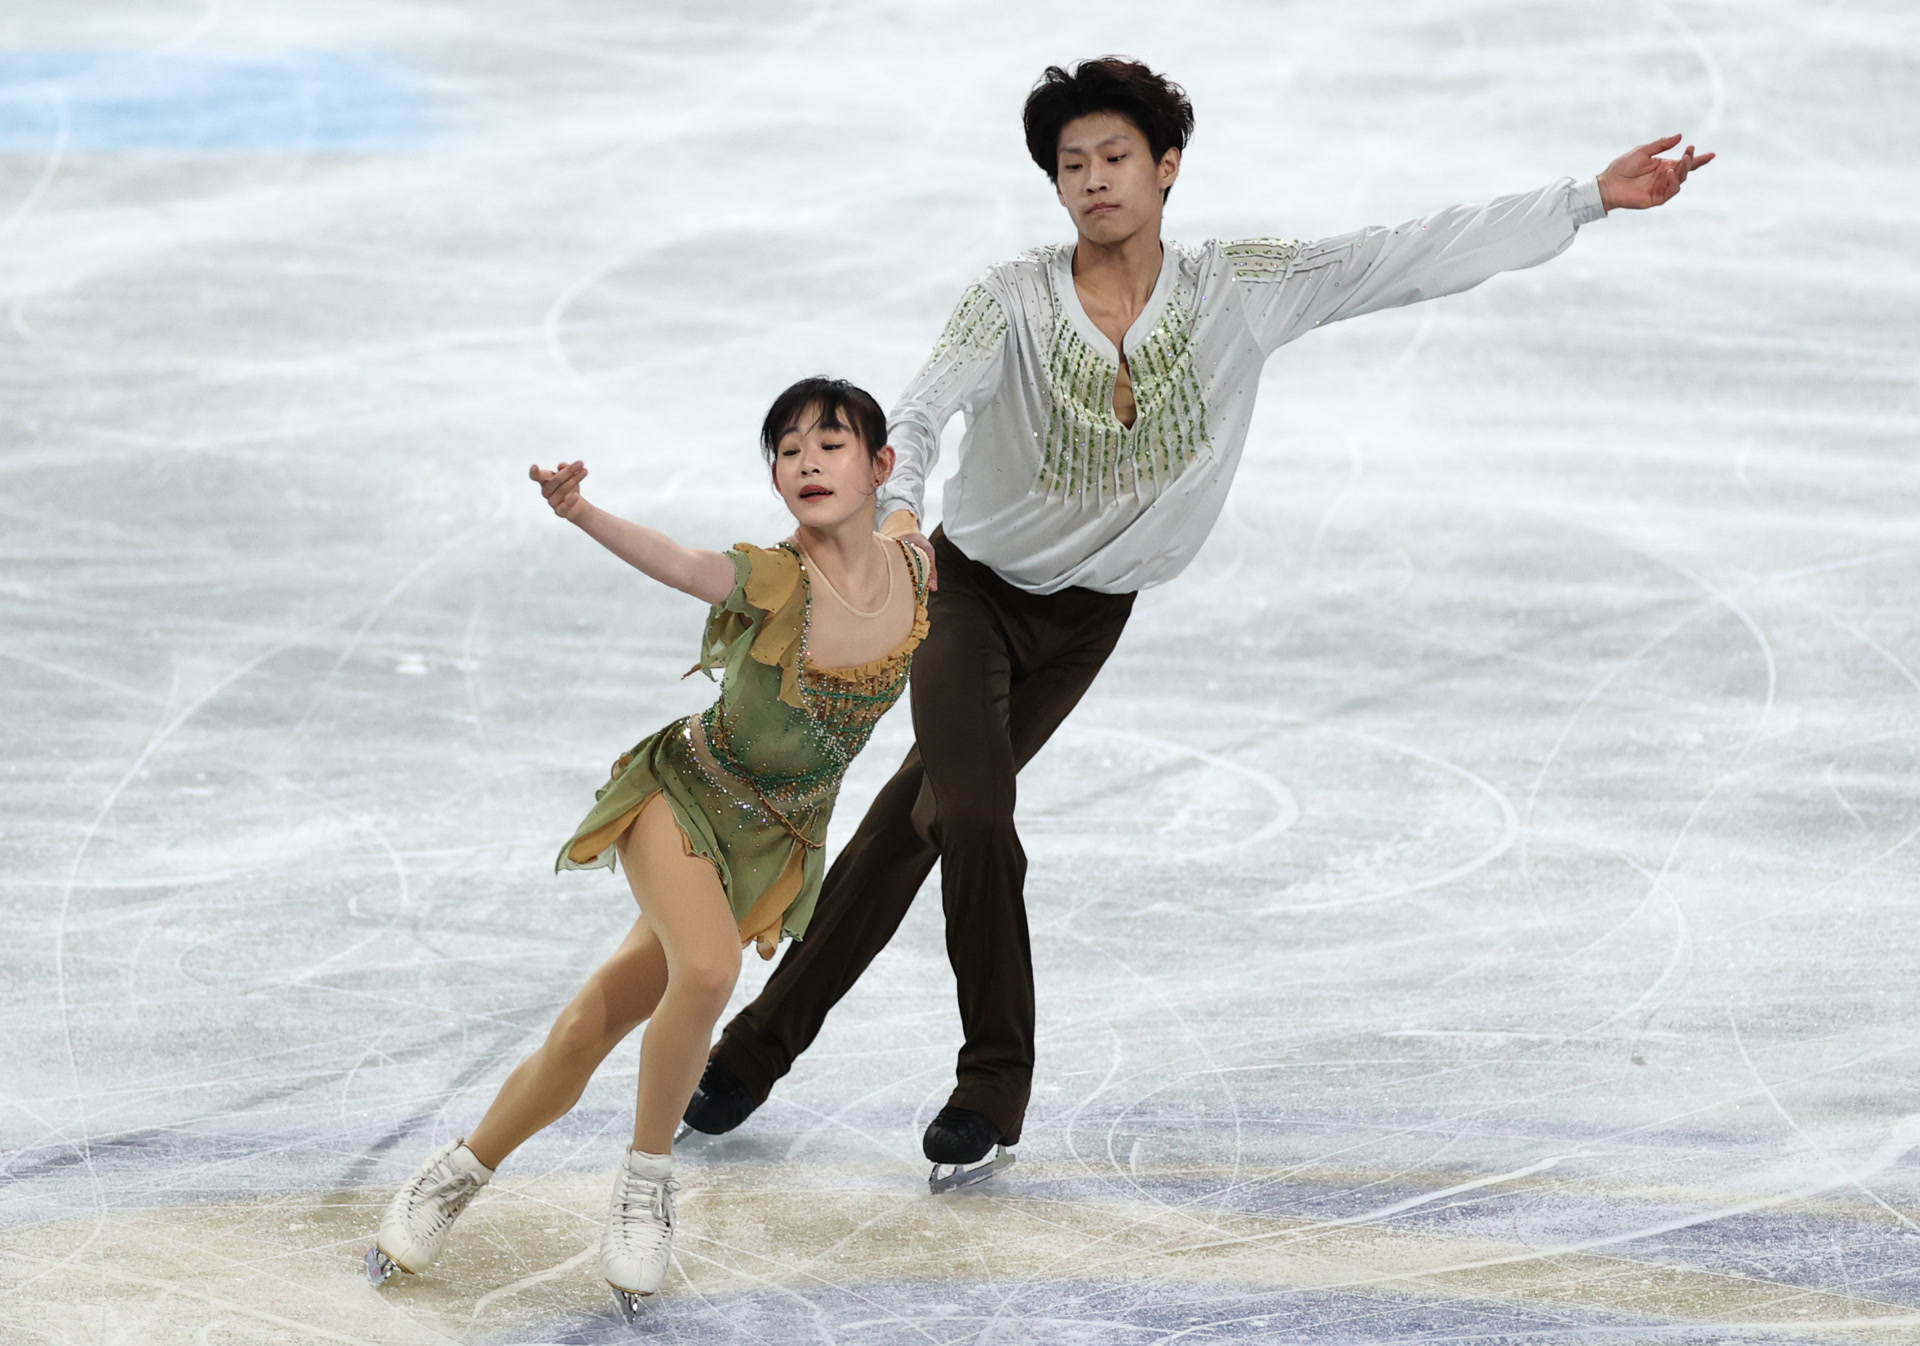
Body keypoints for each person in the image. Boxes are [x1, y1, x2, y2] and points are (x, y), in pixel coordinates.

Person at [687, 57, 1713, 1187]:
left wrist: (1587, 198)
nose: (1093, 180)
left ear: (1166, 166)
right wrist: (897, 518)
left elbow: (1402, 256)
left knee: (916, 822)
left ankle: (750, 1054)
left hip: (1088, 622)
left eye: (1114, 156)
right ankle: (992, 1085)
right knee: (971, 815)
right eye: (1071, 164)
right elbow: (921, 413)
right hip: (968, 596)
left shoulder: (1239, 288)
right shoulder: (1013, 300)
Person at [364, 377, 931, 1318]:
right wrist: (581, 510)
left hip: (772, 844)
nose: (807, 463)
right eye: (788, 451)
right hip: (685, 800)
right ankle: (645, 1187)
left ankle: (454, 1175)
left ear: (878, 467)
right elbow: (682, 564)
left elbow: (918, 520)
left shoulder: (914, 563)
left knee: (592, 1025)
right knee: (706, 972)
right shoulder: (775, 576)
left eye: (830, 446)